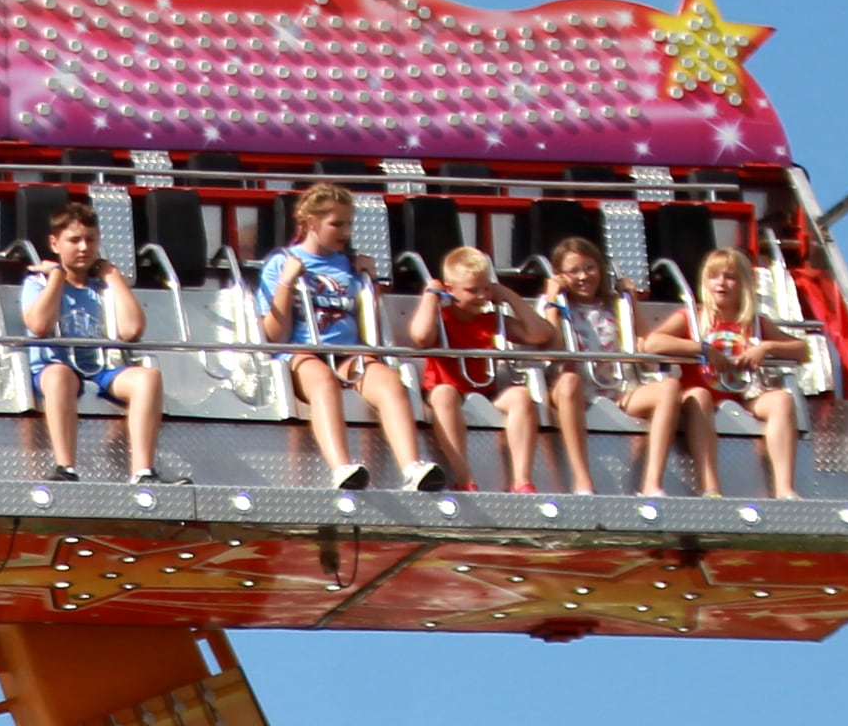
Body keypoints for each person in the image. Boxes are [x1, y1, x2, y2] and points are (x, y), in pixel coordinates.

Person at [258, 179, 445, 491]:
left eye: (349, 224)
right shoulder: (281, 262)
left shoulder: (349, 265)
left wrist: (370, 283)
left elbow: (369, 326)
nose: (345, 232)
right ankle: (341, 467)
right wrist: (286, 283)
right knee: (324, 383)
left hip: (348, 353)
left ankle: (412, 467)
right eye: (336, 224)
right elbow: (274, 333)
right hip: (302, 351)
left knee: (388, 383)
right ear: (310, 223)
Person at [632, 246, 807, 499]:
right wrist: (702, 349)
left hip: (741, 397)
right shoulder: (695, 317)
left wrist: (766, 348)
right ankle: (710, 487)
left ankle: (784, 489)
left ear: (743, 283)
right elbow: (652, 343)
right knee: (700, 395)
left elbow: (802, 350)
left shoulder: (754, 322)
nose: (721, 283)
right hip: (699, 399)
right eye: (714, 276)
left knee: (781, 400)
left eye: (730, 276)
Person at [19, 203, 166, 480]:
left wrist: (113, 277)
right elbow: (39, 326)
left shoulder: (102, 287)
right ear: (55, 243)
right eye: (74, 240)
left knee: (149, 378)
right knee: (60, 376)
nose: (84, 247)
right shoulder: (37, 282)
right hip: (56, 366)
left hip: (100, 368)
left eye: (91, 240)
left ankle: (143, 470)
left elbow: (132, 329)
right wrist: (57, 279)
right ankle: (66, 467)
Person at [405, 242, 557, 490]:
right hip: (448, 392)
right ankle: (464, 478)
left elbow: (540, 334)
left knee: (520, 396)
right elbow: (420, 337)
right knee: (444, 394)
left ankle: (521, 480)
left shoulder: (491, 320)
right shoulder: (441, 318)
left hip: (483, 391)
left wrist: (507, 295)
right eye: (472, 290)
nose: (482, 296)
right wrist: (431, 295)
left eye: (486, 289)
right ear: (450, 289)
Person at [511, 237, 641, 494]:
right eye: (574, 271)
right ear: (560, 275)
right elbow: (554, 347)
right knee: (570, 381)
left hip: (614, 389)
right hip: (570, 387)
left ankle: (649, 482)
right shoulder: (555, 305)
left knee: (669, 390)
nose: (583, 276)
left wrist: (631, 299)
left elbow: (641, 340)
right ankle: (582, 479)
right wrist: (553, 301)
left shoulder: (614, 306)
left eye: (589, 268)